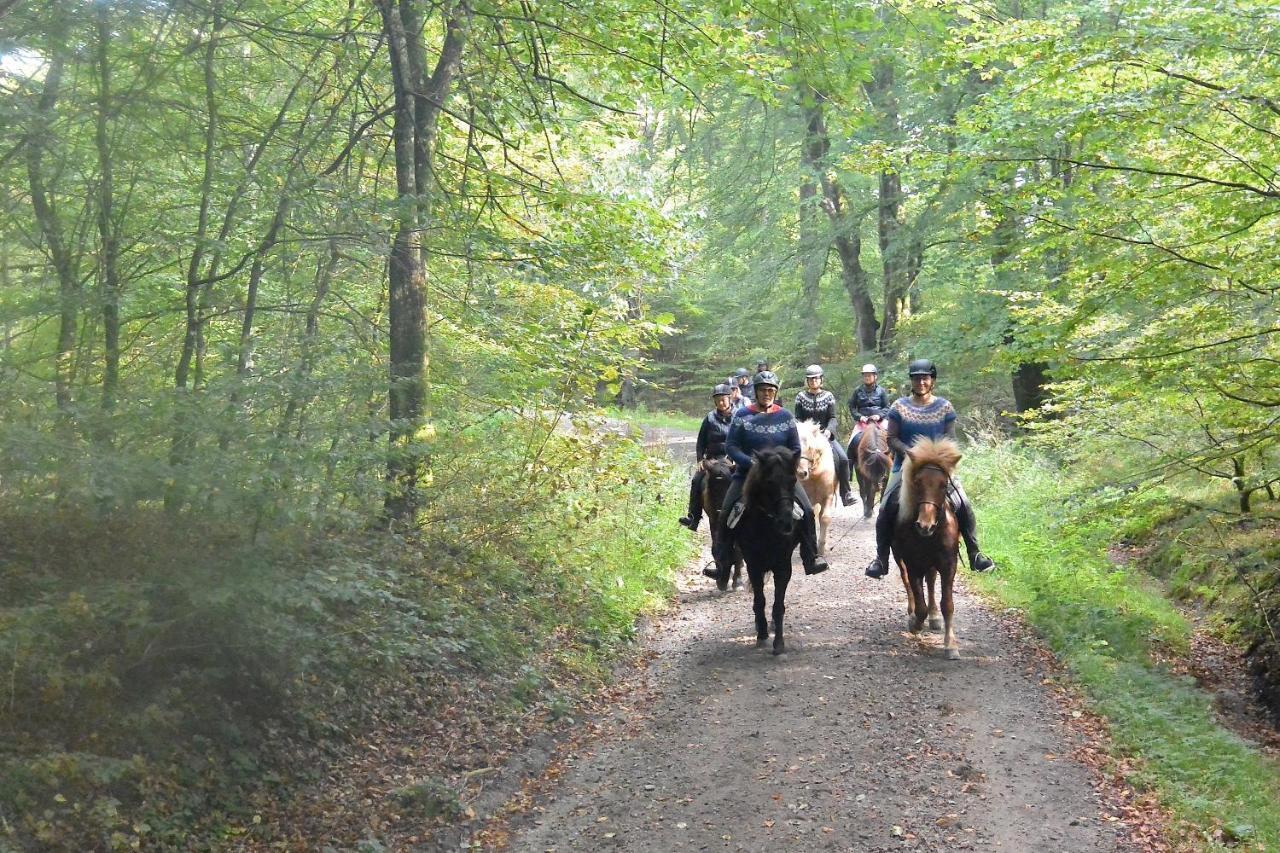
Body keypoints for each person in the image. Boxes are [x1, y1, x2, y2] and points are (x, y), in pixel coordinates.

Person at [864, 359, 996, 579]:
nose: (921, 382)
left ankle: (975, 553)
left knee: (964, 504)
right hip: (906, 467)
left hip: (938, 469)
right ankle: (881, 559)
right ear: (912, 382)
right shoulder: (899, 406)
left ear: (932, 380)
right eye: (917, 378)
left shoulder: (944, 406)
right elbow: (892, 438)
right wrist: (910, 452)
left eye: (925, 378)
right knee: (886, 508)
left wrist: (941, 458)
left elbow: (950, 439)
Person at [706, 370, 830, 580]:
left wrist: (785, 464)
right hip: (748, 475)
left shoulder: (785, 416)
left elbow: (795, 447)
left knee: (807, 511)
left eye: (771, 390)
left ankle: (811, 557)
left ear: (775, 392)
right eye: (763, 390)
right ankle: (721, 561)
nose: (767, 394)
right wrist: (750, 463)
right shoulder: (742, 415)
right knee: (726, 511)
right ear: (755, 392)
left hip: (780, 477)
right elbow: (732, 446)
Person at [793, 364, 856, 506]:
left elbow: (833, 417)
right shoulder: (800, 397)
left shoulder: (828, 396)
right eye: (810, 379)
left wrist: (829, 430)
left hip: (824, 436)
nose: (813, 381)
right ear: (807, 381)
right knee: (791, 458)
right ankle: (790, 492)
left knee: (843, 459)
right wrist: (801, 430)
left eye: (816, 378)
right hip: (805, 438)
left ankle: (846, 493)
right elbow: (797, 417)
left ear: (821, 380)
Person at [679, 384, 736, 531]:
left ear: (729, 399)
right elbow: (701, 442)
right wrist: (700, 460)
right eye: (717, 400)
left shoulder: (739, 417)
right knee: (696, 480)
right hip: (712, 459)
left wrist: (733, 458)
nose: (720, 403)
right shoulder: (709, 418)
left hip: (732, 460)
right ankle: (693, 517)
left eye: (723, 399)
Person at [847, 363, 890, 454]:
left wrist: (879, 416)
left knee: (892, 438)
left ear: (875, 376)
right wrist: (860, 417)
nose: (867, 377)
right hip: (863, 422)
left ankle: (896, 464)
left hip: (880, 422)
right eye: (865, 375)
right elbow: (852, 407)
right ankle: (849, 466)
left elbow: (887, 407)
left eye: (869, 375)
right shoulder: (857, 391)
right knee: (851, 442)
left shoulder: (881, 391)